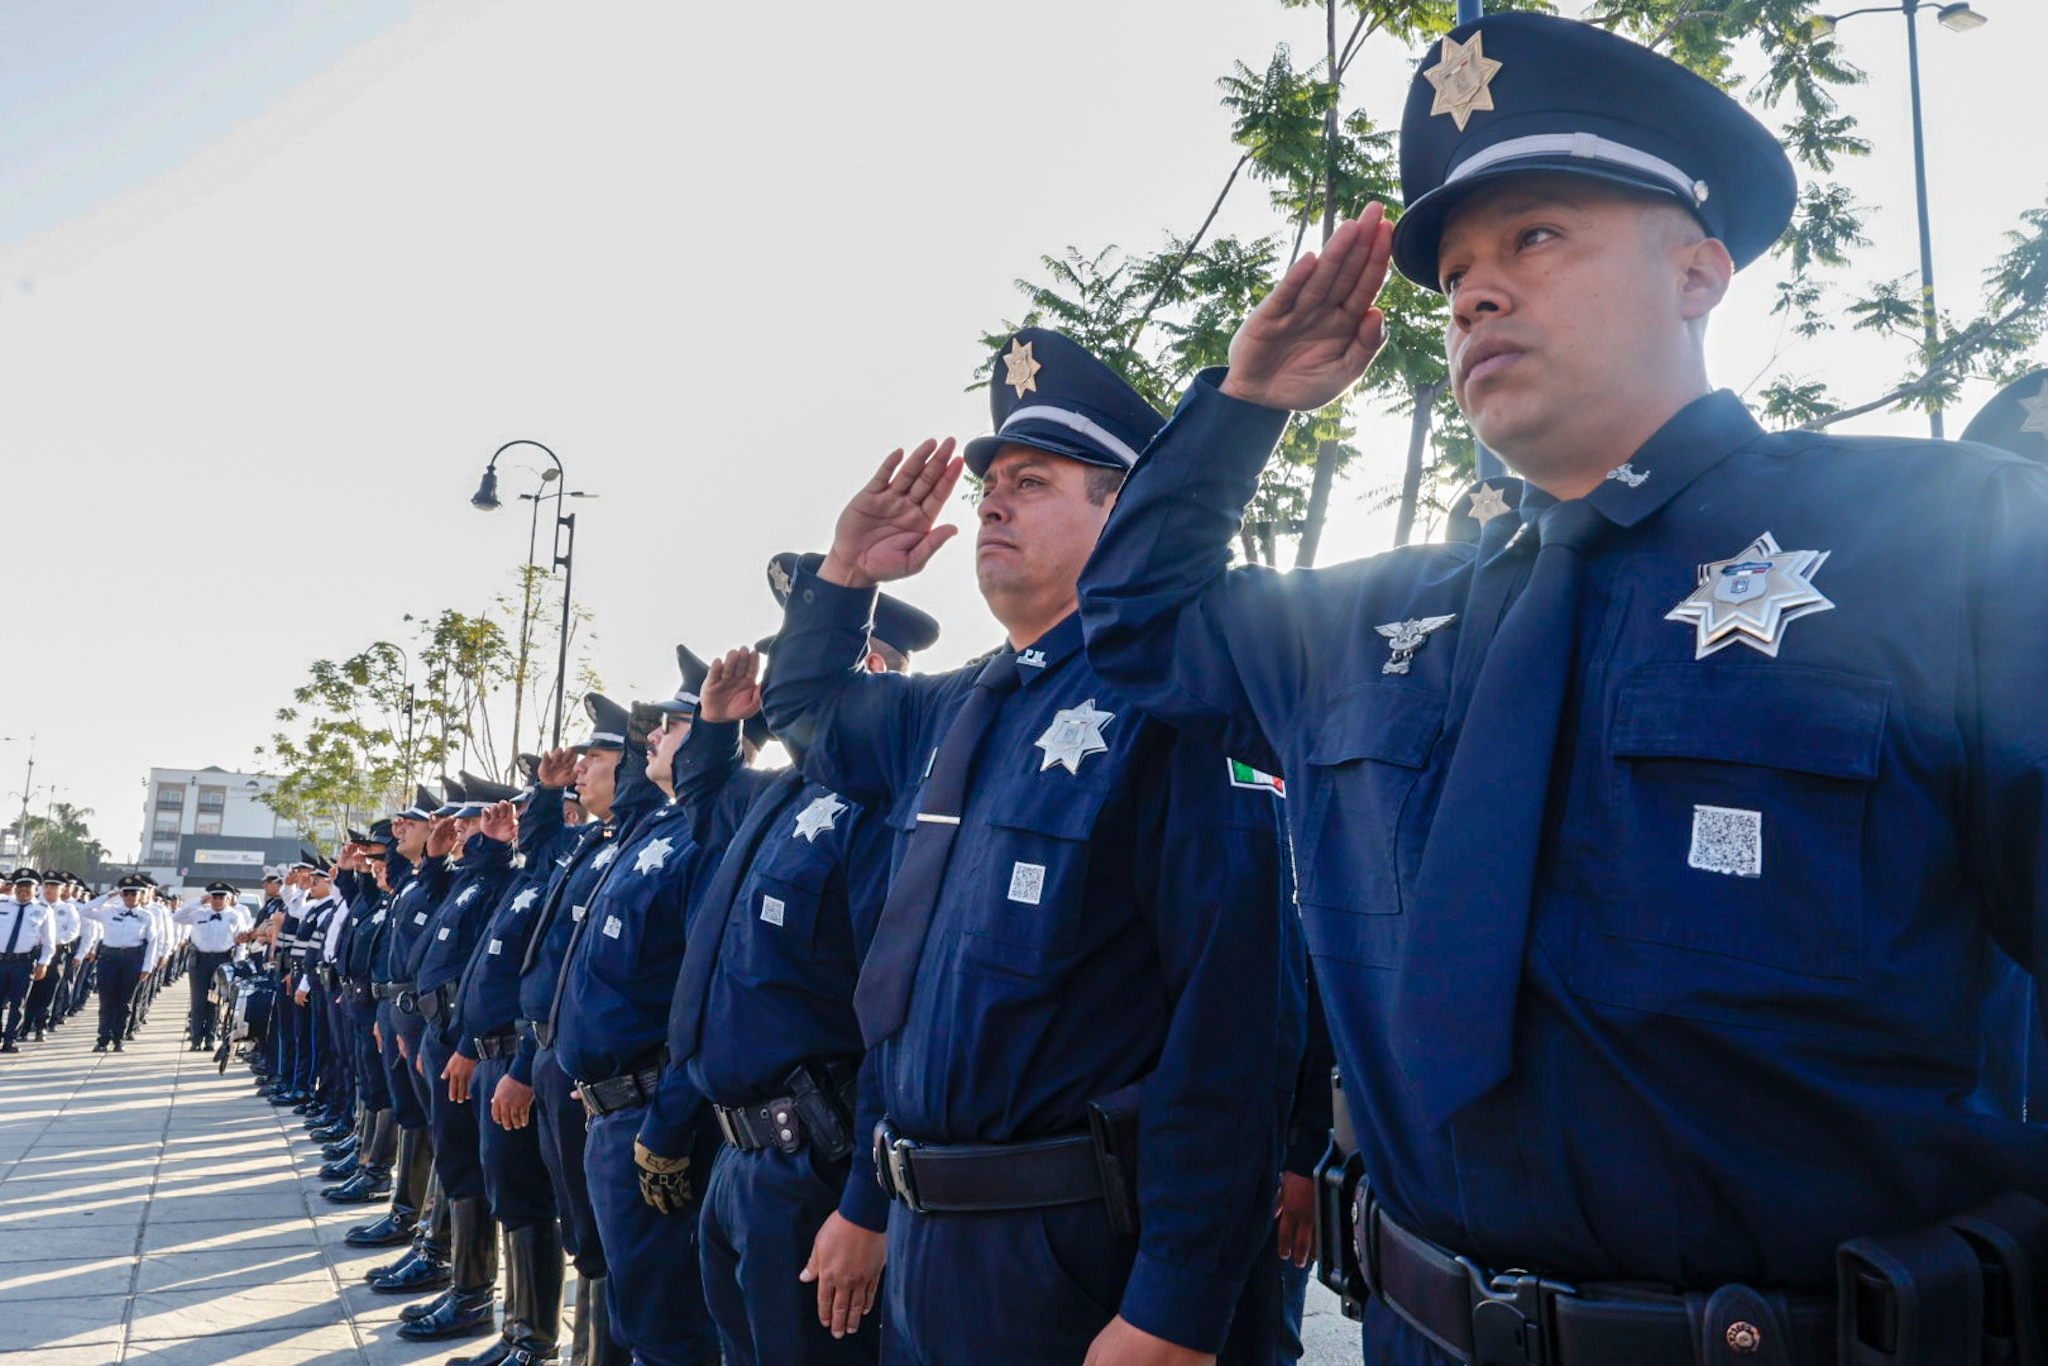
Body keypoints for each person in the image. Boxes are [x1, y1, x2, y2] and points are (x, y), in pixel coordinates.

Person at [1075, 13, 2048, 1361]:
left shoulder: (1951, 539)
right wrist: (1244, 404)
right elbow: (1131, 626)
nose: (1476, 291)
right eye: (1457, 270)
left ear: (1699, 272)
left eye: (1536, 237)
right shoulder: (1374, 617)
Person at [761, 327, 1298, 1366]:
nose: (991, 502)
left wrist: (1175, 1309)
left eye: (1034, 479)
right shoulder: (950, 708)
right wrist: (842, 574)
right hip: (930, 1242)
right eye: (993, 480)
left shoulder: (1173, 702)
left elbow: (1231, 1026)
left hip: (1079, 1249)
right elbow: (808, 714)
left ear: (1127, 513)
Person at [666, 557, 938, 1366]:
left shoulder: (889, 803)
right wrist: (715, 725)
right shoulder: (783, 791)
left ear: (871, 672)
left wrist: (866, 1200)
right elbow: (706, 805)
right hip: (741, 1160)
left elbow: (898, 1014)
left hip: (814, 1166)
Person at [550, 651, 723, 1366]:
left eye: (675, 726)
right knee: (630, 1307)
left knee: (667, 1323)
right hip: (606, 1111)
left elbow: (702, 999)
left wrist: (669, 1121)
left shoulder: (698, 838)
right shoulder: (646, 835)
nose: (653, 736)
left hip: (649, 1111)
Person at [517, 694, 644, 1366]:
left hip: (611, 1084)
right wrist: (542, 795)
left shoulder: (644, 845)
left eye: (594, 759)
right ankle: (575, 1349)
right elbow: (538, 850)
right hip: (558, 1062)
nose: (578, 772)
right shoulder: (597, 843)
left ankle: (592, 1353)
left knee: (610, 1238)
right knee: (582, 1226)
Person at [400, 775, 520, 1343]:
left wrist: (467, 1043)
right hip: (442, 1031)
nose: (464, 833)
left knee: (478, 1169)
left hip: (470, 1040)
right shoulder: (468, 879)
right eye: (464, 825)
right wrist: (437, 857)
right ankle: (457, 1275)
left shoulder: (501, 879)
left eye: (473, 824)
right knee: (454, 1156)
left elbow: (494, 975)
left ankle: (474, 1291)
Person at [77, 874, 162, 1052]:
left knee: (125, 1002)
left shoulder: (147, 916)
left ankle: (118, 1038)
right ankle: (102, 1039)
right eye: (126, 893)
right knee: (106, 1001)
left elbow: (153, 942)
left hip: (133, 959)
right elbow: (84, 910)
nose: (130, 897)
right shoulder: (109, 910)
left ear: (141, 895)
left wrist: (148, 966)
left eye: (134, 893)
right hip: (109, 958)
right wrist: (108, 896)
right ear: (121, 895)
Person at [172, 881, 252, 1051]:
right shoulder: (199, 913)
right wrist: (199, 901)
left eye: (220, 897)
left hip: (222, 961)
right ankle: (195, 1038)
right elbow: (177, 917)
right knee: (198, 1000)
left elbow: (241, 943)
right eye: (214, 897)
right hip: (200, 961)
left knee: (215, 1000)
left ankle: (210, 1037)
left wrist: (237, 965)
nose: (217, 901)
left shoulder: (235, 916)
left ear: (227, 898)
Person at [0, 870, 56, 1052]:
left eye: (28, 887)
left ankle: (10, 1039)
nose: (23, 890)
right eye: (20, 886)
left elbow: (49, 942)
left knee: (18, 1003)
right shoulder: (3, 905)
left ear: (36, 889)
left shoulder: (43, 910)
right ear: (15, 888)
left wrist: (43, 964)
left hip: (22, 963)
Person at [23, 871, 81, 1041]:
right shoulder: (33, 906)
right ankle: (24, 1027)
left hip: (56, 953)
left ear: (62, 889)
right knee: (27, 992)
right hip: (32, 952)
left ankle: (41, 1026)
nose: (48, 889)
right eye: (46, 886)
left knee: (48, 991)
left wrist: (49, 939)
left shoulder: (68, 909)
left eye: (53, 886)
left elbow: (72, 931)